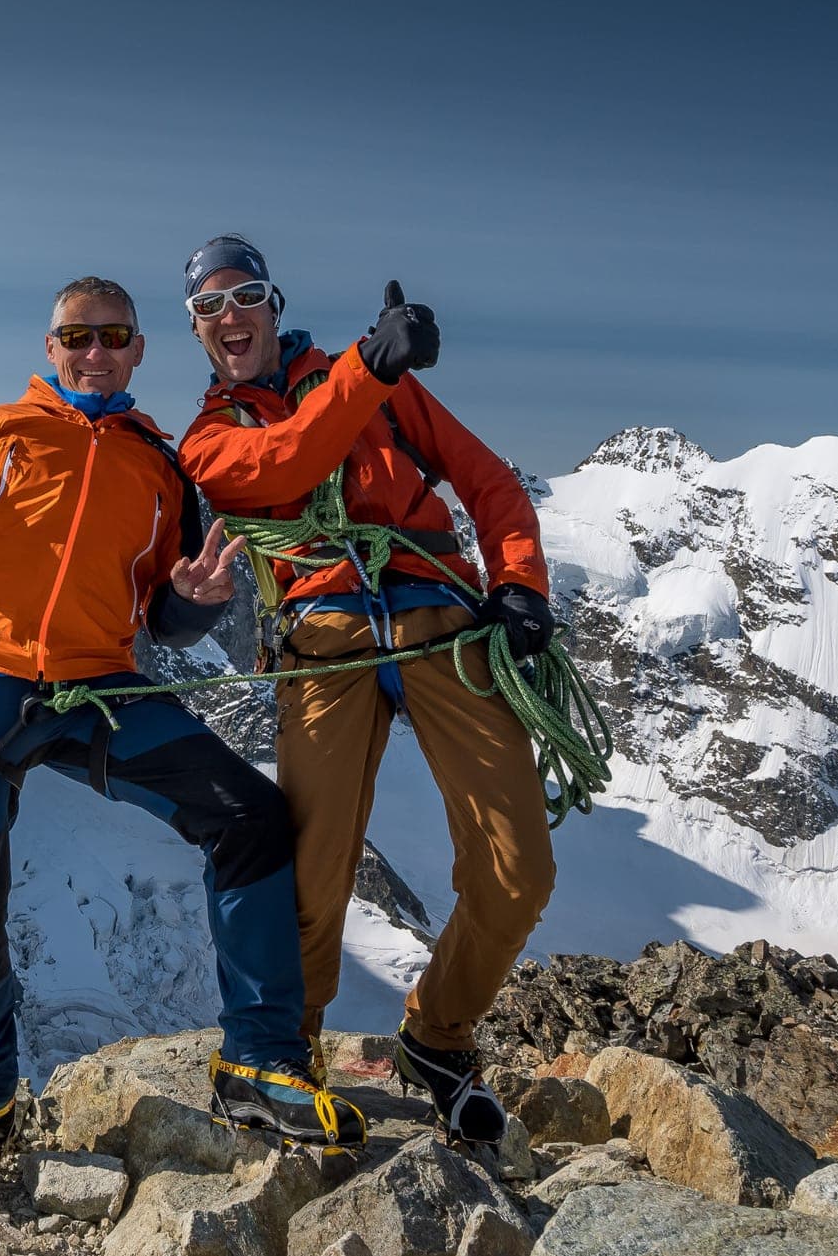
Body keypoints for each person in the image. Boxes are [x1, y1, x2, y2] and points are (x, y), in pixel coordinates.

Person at [0, 274, 428, 1161]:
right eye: (76, 336)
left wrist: (192, 601)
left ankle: (261, 1060)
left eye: (111, 335)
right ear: (50, 349)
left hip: (96, 686)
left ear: (137, 350)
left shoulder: (159, 463)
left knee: (247, 816)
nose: (94, 351)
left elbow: (163, 609)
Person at [176, 234, 554, 1145]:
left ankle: (437, 1033)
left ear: (273, 304)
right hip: (322, 641)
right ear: (196, 330)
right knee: (314, 869)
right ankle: (288, 1052)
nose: (231, 316)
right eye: (209, 307)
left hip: (437, 617)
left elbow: (487, 479)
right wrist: (366, 368)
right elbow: (286, 465)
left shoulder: (382, 385)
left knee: (518, 866)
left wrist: (520, 581)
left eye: (246, 296)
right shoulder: (209, 438)